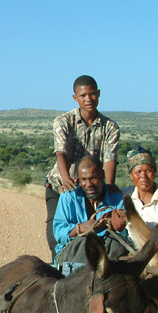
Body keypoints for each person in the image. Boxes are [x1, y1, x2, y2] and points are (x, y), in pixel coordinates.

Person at [44, 75, 120, 260]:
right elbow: (60, 151)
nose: (89, 99)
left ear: (98, 94)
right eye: (83, 95)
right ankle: (61, 269)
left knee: (104, 231)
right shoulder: (63, 121)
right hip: (63, 186)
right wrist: (66, 180)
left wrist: (109, 186)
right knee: (58, 236)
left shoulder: (110, 127)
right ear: (75, 98)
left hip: (94, 185)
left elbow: (110, 158)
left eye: (92, 94)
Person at [53, 155, 129, 268]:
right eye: (84, 179)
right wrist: (79, 228)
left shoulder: (117, 198)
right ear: (78, 179)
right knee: (85, 242)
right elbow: (59, 233)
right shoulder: (68, 196)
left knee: (116, 245)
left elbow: (126, 234)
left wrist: (115, 226)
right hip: (73, 253)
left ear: (102, 175)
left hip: (107, 251)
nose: (89, 185)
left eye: (93, 178)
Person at [121, 145, 158, 239]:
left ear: (154, 173)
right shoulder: (125, 194)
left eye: (148, 171)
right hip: (130, 247)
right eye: (138, 172)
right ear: (131, 175)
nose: (143, 176)